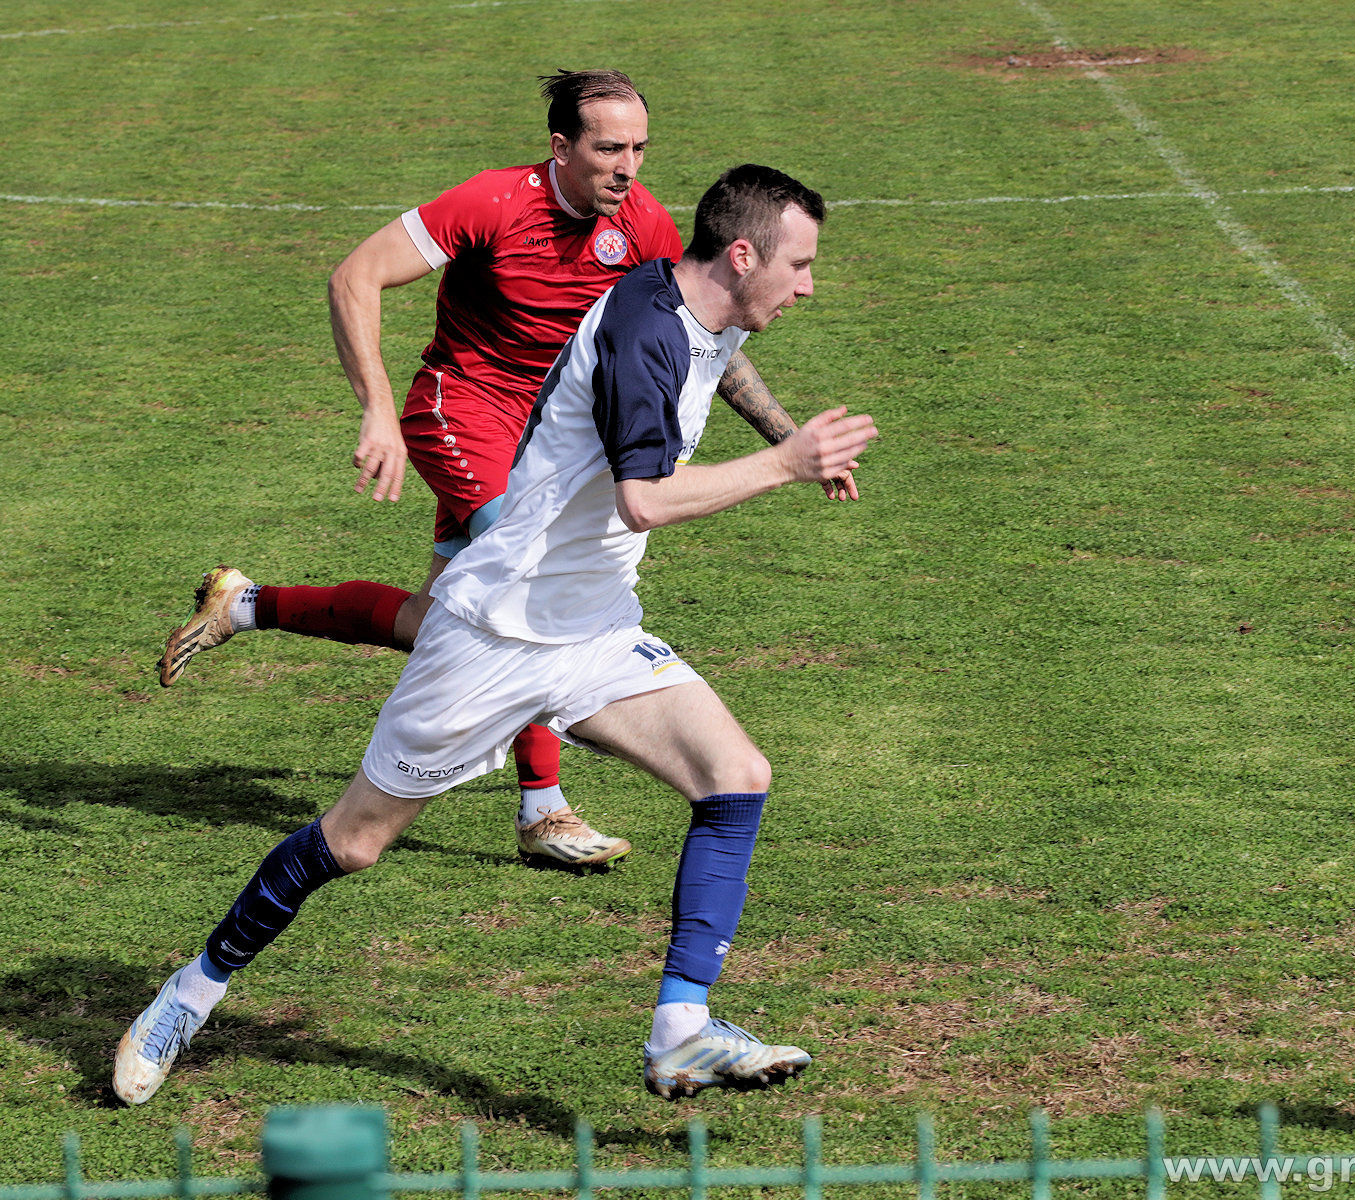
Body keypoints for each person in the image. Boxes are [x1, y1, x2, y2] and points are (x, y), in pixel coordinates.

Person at [114, 163, 877, 1107]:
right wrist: (785, 462)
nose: (810, 285)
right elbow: (643, 502)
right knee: (352, 843)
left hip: (592, 628)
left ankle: (680, 1031)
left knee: (737, 774)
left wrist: (787, 434)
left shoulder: (705, 307)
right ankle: (189, 994)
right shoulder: (644, 332)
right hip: (496, 631)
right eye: (800, 265)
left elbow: (722, 358)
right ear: (745, 256)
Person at [155, 70, 856, 871]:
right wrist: (377, 409)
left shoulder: (645, 222)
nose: (627, 168)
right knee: (531, 592)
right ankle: (542, 809)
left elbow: (709, 334)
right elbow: (355, 276)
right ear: (561, 147)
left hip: (550, 447)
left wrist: (792, 438)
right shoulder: (493, 202)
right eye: (608, 149)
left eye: (638, 148)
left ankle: (246, 604)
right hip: (463, 412)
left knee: (434, 622)